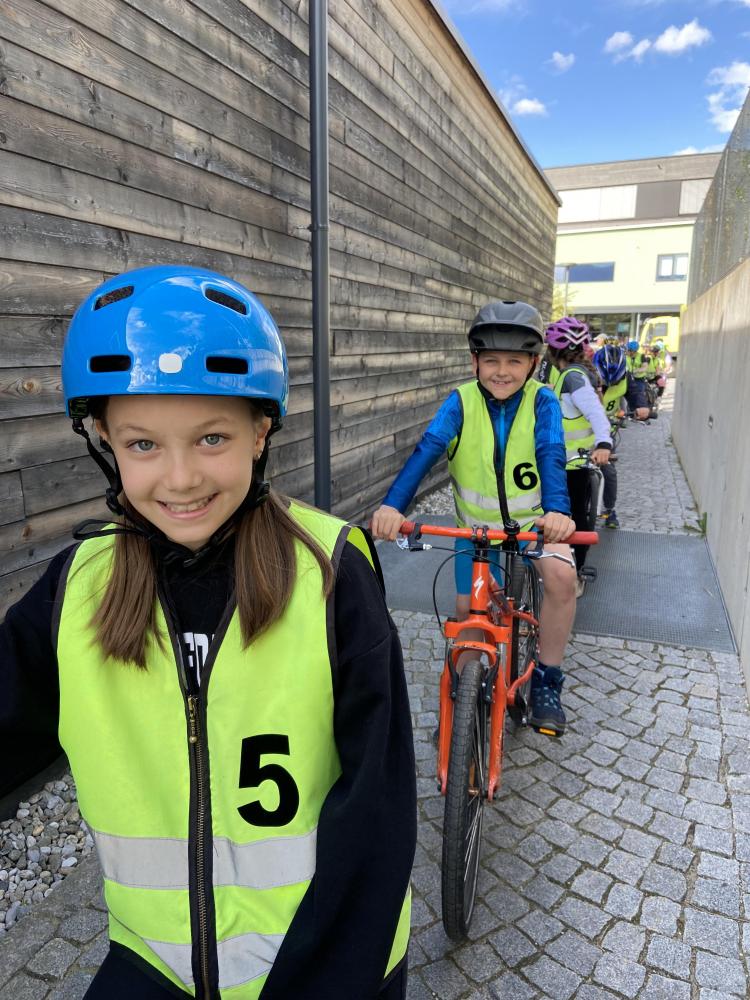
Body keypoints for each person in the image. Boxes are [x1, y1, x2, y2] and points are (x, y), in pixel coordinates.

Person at [0, 265, 415, 1000]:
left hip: (326, 964)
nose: (181, 478)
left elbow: (377, 809)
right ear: (104, 439)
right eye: (143, 445)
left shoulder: (330, 574)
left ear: (261, 432)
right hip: (156, 963)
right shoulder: (77, 590)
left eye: (211, 437)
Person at [372, 301, 577, 738]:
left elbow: (551, 452)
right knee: (469, 615)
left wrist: (558, 511)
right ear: (474, 362)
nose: (502, 371)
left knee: (562, 579)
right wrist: (393, 505)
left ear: (533, 364)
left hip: (533, 527)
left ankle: (547, 679)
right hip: (477, 533)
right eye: (491, 361)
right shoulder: (461, 402)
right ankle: (461, 705)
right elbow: (428, 449)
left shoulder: (542, 401)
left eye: (514, 362)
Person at [544, 317, 612, 597]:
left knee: (575, 520)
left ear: (553, 349)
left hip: (573, 462)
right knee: (561, 517)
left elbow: (596, 413)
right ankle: (558, 566)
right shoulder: (565, 375)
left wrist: (604, 443)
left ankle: (577, 574)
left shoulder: (574, 377)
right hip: (561, 462)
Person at [593, 344, 628, 529]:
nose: (608, 385)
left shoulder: (625, 379)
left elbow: (635, 392)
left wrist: (641, 406)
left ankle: (610, 509)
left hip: (605, 433)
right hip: (583, 432)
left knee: (609, 471)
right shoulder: (583, 378)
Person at [624, 340, 651, 420]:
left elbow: (645, 367)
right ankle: (630, 411)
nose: (627, 351)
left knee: (639, 393)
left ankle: (642, 412)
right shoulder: (625, 356)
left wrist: (637, 370)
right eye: (627, 350)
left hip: (638, 379)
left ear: (634, 351)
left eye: (629, 350)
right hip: (628, 378)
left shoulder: (641, 356)